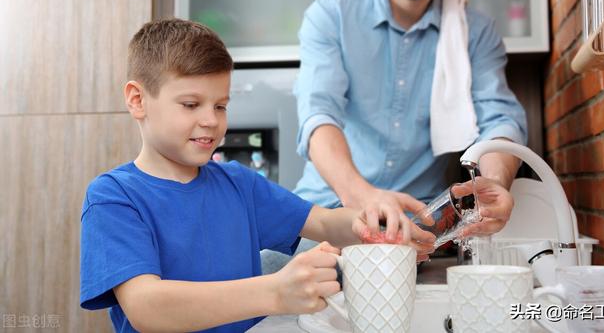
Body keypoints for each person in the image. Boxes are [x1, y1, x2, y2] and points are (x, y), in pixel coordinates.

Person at [79, 19, 435, 333]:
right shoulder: (114, 197)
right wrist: (274, 292)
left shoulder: (238, 184)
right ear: (137, 100)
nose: (211, 120)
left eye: (220, 105)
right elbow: (147, 308)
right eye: (191, 105)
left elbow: (325, 223)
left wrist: (370, 220)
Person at [262, 0, 528, 273]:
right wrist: (364, 198)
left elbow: (500, 121)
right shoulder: (330, 16)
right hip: (323, 219)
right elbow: (319, 117)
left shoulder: (474, 33)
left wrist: (495, 184)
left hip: (411, 238)